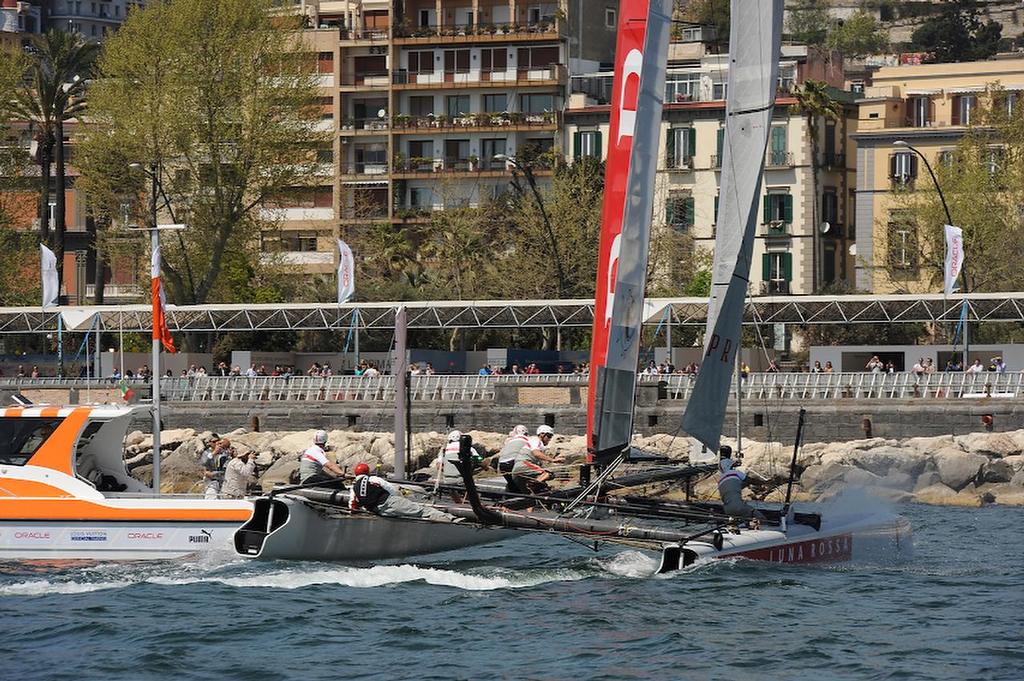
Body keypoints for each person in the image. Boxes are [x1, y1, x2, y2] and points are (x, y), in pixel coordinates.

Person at [350, 462, 460, 522]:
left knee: (411, 513)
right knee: (422, 511)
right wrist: (400, 500)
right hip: (390, 503)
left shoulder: (354, 487)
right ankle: (452, 520)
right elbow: (391, 489)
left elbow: (352, 504)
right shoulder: (374, 479)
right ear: (367, 472)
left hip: (379, 511)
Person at [497, 424, 563, 490]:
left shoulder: (512, 440)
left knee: (525, 491)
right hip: (523, 465)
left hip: (511, 469)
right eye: (549, 436)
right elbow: (536, 453)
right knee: (549, 474)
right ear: (542, 434)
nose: (549, 439)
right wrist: (552, 460)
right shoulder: (535, 440)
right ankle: (533, 484)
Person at [717, 446, 766, 520]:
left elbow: (735, 487)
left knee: (741, 521)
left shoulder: (720, 482)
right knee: (761, 518)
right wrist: (764, 482)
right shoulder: (735, 473)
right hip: (739, 507)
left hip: (727, 510)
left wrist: (747, 484)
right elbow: (750, 480)